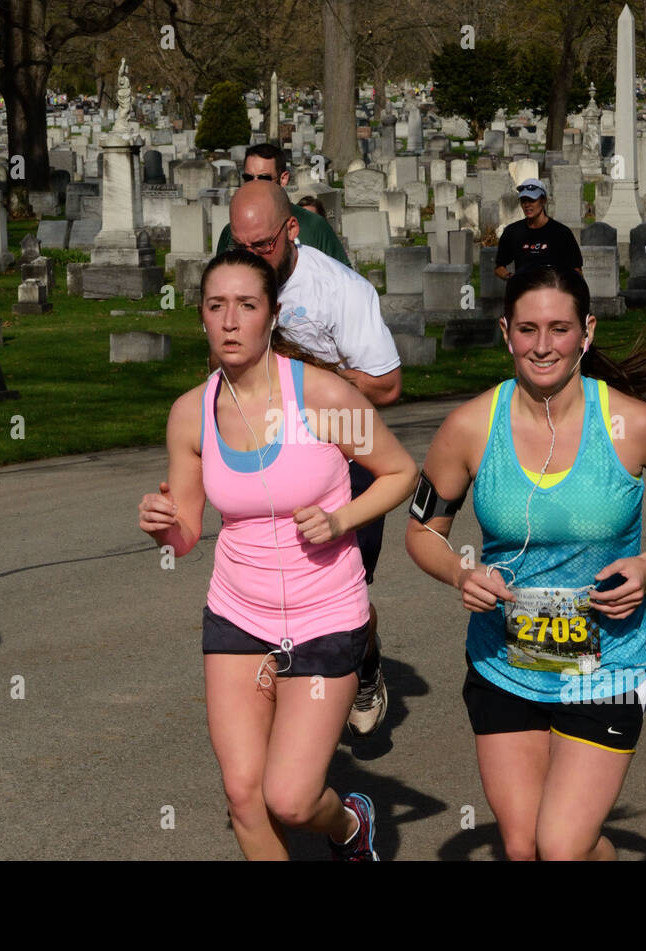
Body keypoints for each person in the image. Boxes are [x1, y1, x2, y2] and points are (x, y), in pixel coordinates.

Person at [404, 266, 646, 861]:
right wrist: (460, 572)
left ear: (587, 331)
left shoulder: (632, 424)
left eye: (559, 328)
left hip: (604, 667)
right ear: (507, 333)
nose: (543, 345)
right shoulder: (470, 426)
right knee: (526, 850)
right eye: (528, 329)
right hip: (505, 662)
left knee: (559, 846)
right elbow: (423, 529)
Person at [138, 250, 417, 860]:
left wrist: (341, 517)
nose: (230, 321)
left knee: (289, 799)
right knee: (244, 795)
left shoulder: (321, 395)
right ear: (202, 319)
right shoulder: (191, 414)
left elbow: (400, 472)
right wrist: (163, 526)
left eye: (247, 305)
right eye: (217, 307)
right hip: (238, 616)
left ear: (273, 314)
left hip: (324, 617)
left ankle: (348, 825)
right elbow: (186, 532)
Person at [227, 182, 402, 737]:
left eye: (262, 246)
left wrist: (309, 382)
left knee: (344, 590)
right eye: (240, 245)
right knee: (272, 582)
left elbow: (388, 384)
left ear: (292, 230)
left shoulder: (341, 289)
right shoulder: (235, 281)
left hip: (341, 453)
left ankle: (365, 661)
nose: (250, 257)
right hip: (266, 450)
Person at [215, 143, 349, 266]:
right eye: (249, 178)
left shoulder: (313, 226)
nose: (255, 184)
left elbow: (344, 278)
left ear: (283, 179)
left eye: (264, 178)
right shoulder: (231, 231)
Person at [494, 178, 583, 281]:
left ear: (543, 200)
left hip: (552, 292)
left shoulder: (561, 233)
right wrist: (512, 278)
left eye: (532, 200)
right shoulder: (512, 232)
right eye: (523, 200)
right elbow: (499, 267)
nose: (527, 205)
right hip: (523, 293)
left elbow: (577, 271)